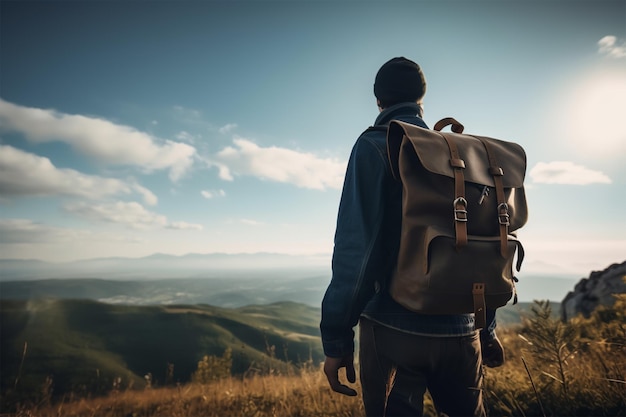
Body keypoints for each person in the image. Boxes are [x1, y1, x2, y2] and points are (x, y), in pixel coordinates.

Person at [320, 57, 504, 417]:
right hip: (462, 327)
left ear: (378, 100)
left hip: (392, 328)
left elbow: (356, 252)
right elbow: (483, 243)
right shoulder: (461, 156)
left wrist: (336, 339)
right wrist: (486, 326)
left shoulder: (376, 145)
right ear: (423, 98)